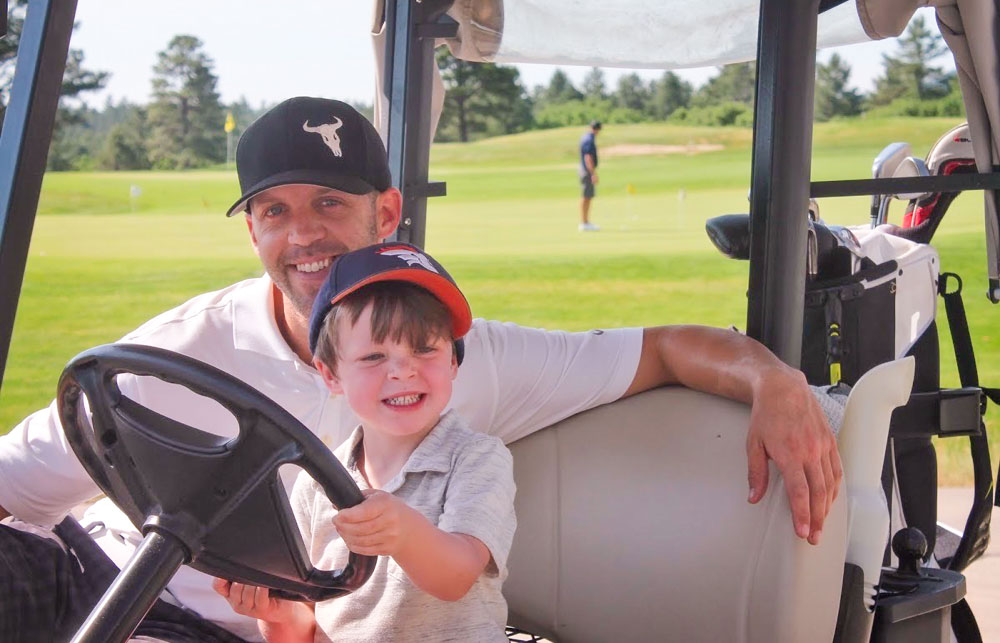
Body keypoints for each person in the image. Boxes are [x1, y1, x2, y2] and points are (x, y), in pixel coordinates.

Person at [0, 97, 840, 641]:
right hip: (104, 572)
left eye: (331, 202)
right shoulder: (182, 348)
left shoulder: (459, 360)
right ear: (250, 228)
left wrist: (774, 379)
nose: (305, 236)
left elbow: (659, 347)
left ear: (386, 211)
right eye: (276, 211)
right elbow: (14, 483)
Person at [214, 243, 515, 642]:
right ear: (331, 374)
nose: (403, 371)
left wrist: (405, 533)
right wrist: (275, 613)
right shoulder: (317, 483)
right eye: (374, 357)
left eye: (425, 349)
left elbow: (456, 576)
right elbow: (306, 627)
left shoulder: (476, 459)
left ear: (453, 361)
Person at [578, 119, 601, 231]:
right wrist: (593, 173)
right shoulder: (589, 139)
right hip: (587, 170)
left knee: (587, 196)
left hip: (585, 169)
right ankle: (584, 223)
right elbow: (588, 158)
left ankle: (585, 222)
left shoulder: (585, 137)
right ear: (598, 129)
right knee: (587, 196)